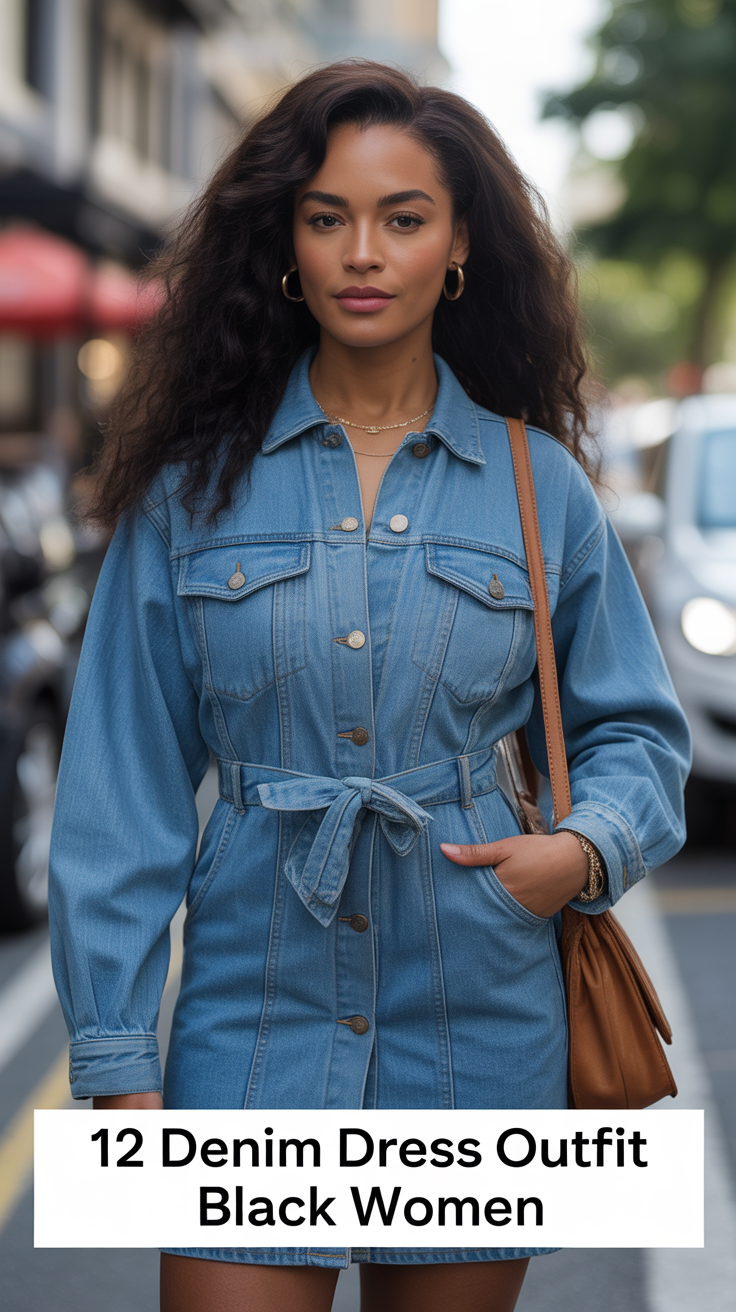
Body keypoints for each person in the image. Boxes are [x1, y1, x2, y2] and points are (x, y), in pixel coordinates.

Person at [48, 61, 690, 1312]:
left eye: (404, 218)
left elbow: (639, 734)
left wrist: (579, 852)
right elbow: (118, 789)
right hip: (246, 1025)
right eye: (328, 215)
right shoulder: (193, 494)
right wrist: (120, 1061)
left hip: (478, 1020)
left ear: (457, 248)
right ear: (284, 242)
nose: (363, 250)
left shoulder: (536, 485)